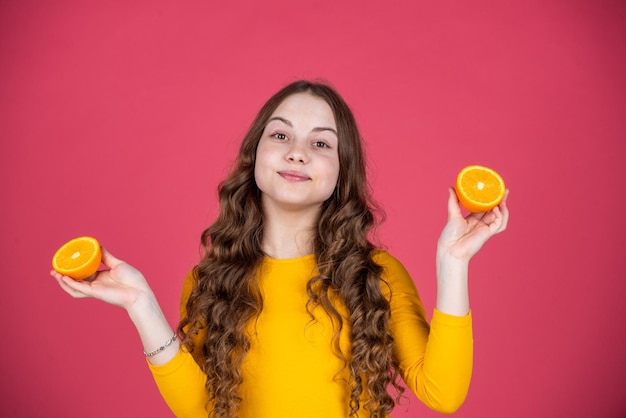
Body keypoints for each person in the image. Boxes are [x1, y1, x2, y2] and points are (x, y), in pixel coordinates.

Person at [51, 80, 509, 418]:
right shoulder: (211, 280)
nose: (297, 152)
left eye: (321, 143)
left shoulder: (378, 275)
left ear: (340, 175)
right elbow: (200, 410)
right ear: (255, 157)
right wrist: (140, 303)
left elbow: (444, 392)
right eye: (280, 135)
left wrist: (453, 264)